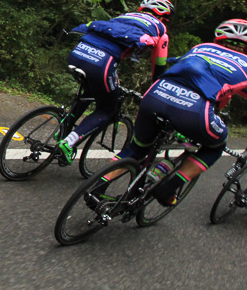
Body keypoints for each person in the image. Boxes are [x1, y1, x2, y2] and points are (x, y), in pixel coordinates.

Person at [99, 18, 247, 206]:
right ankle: (168, 188)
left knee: (136, 148)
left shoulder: (201, 47)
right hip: (194, 110)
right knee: (215, 146)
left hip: (155, 95)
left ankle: (98, 186)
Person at [56, 0, 174, 164]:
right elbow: (159, 66)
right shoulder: (160, 30)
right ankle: (68, 142)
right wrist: (157, 88)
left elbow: (107, 41)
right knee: (107, 109)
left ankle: (63, 128)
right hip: (102, 62)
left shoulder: (123, 17)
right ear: (162, 16)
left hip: (78, 51)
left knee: (89, 91)